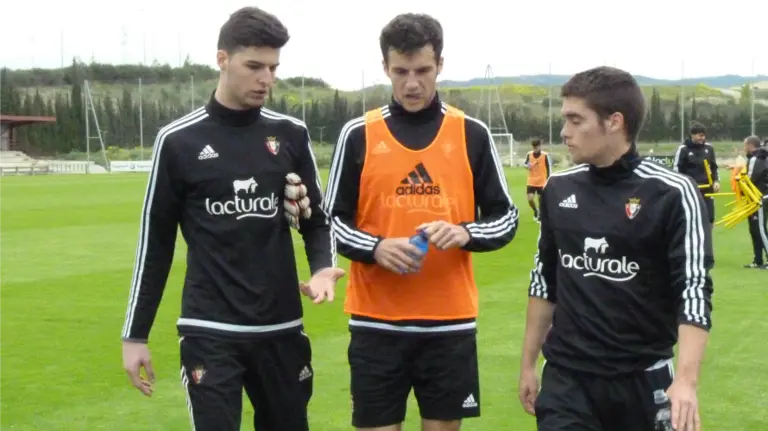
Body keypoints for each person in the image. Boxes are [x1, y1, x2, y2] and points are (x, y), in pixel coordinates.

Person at [120, 7, 344, 431]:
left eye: (274, 68)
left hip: (281, 324)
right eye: (254, 66)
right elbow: (156, 244)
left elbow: (317, 220)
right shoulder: (179, 141)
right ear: (222, 59)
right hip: (209, 327)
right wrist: (135, 335)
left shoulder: (291, 134)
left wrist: (321, 271)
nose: (266, 79)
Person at [323, 13, 519, 431]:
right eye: (401, 72)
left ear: (440, 66)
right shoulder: (358, 134)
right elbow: (330, 223)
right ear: (385, 69)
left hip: (449, 324)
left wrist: (465, 232)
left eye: (423, 71)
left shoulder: (472, 133)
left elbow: (506, 219)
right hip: (376, 324)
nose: (412, 83)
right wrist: (376, 248)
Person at [518, 66, 714, 431]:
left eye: (576, 120)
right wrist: (528, 365)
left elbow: (694, 291)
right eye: (565, 120)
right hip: (567, 381)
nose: (564, 132)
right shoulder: (559, 189)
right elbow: (545, 282)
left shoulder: (672, 193)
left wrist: (685, 382)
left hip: (643, 380)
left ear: (614, 122)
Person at [673, 121, 720, 228]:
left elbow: (714, 167)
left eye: (703, 135)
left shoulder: (709, 148)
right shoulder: (683, 149)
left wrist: (716, 181)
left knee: (709, 219)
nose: (702, 138)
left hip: (707, 190)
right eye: (700, 135)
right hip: (691, 190)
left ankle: (707, 243)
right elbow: (676, 170)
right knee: (692, 220)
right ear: (692, 135)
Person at [742, 135, 768, 269]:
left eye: (745, 145)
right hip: (755, 198)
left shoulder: (756, 159)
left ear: (750, 146)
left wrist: (739, 181)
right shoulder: (761, 158)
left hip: (759, 198)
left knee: (760, 229)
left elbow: (749, 179)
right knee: (754, 229)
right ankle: (758, 260)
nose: (744, 148)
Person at [524, 139, 552, 222]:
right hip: (531, 180)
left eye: (536, 147)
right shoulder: (529, 154)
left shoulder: (545, 155)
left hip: (542, 181)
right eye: (534, 147)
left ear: (540, 146)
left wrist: (549, 179)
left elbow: (549, 168)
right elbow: (526, 163)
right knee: (530, 199)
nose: (535, 148)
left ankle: (541, 215)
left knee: (541, 200)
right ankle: (536, 210)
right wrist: (528, 166)